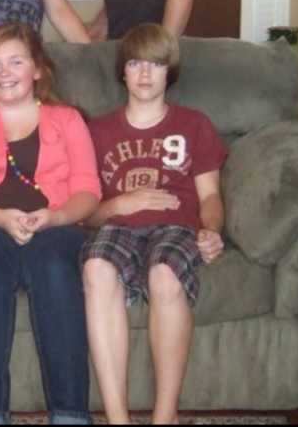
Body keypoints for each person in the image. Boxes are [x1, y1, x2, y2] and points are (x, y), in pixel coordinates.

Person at [0, 23, 101, 425]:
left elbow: (88, 190)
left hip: (56, 227)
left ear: (38, 69)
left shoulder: (68, 120)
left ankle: (69, 415)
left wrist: (56, 217)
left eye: (16, 61)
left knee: (53, 265)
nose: (4, 71)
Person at [80, 23, 227, 425]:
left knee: (164, 275)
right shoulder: (97, 131)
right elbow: (86, 213)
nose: (145, 74)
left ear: (170, 71)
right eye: (135, 63)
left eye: (156, 64)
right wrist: (122, 203)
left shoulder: (194, 124)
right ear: (122, 72)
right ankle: (118, 419)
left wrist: (210, 229)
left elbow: (210, 196)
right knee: (95, 267)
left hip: (174, 227)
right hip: (117, 228)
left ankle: (165, 417)